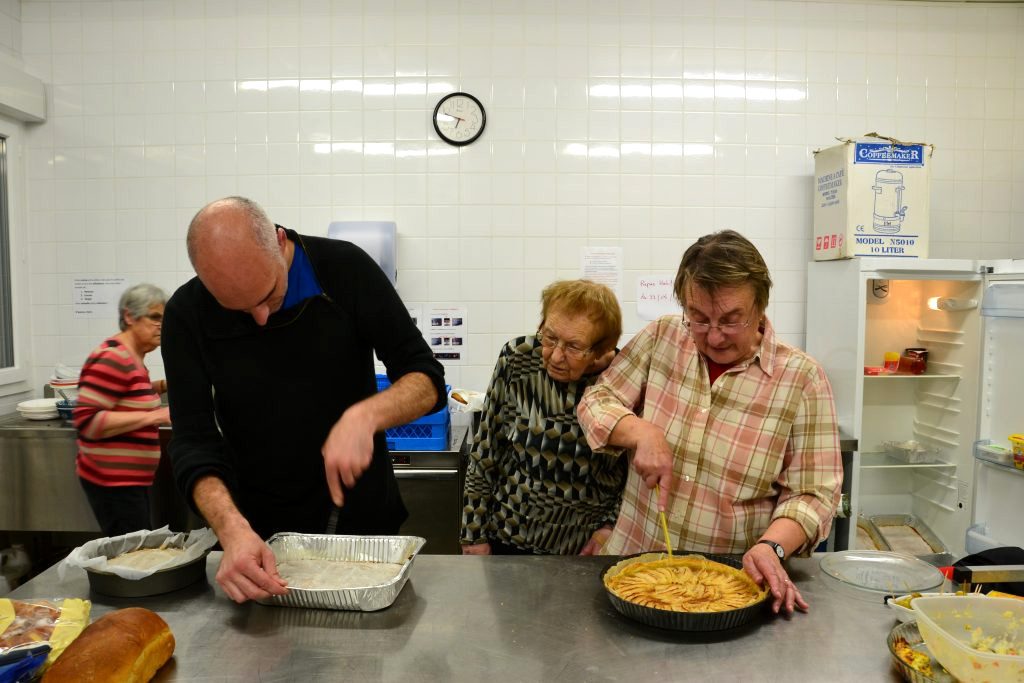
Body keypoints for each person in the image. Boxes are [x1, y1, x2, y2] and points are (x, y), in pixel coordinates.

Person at [162, 196, 445, 604]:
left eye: (269, 295)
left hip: (362, 522)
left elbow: (425, 377)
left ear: (279, 241)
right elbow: (192, 439)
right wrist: (231, 529)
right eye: (239, 309)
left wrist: (366, 416)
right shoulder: (187, 314)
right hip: (255, 531)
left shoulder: (345, 269)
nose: (261, 318)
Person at [578, 230, 842, 614]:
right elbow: (597, 400)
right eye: (698, 318)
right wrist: (641, 432)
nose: (714, 336)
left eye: (732, 320)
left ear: (760, 306)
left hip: (728, 593)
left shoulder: (801, 378)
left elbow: (815, 494)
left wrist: (772, 546)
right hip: (635, 577)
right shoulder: (661, 339)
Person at [461, 280, 626, 556]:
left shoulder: (623, 377)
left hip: (585, 547)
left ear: (600, 349)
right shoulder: (518, 360)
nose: (556, 356)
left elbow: (634, 472)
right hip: (509, 535)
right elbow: (486, 450)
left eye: (574, 347)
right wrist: (472, 533)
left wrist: (610, 526)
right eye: (549, 338)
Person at [73, 283, 171, 537]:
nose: (161, 325)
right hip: (113, 483)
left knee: (136, 550)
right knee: (131, 558)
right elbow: (87, 421)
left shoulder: (132, 358)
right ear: (129, 316)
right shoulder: (114, 358)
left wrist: (159, 387)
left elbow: (125, 394)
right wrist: (156, 415)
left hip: (128, 482)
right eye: (154, 317)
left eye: (165, 318)